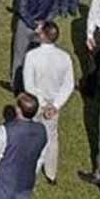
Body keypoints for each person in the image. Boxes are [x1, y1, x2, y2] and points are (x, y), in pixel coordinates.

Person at [22, 21, 74, 185]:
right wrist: (55, 105)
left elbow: (28, 85)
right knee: (51, 138)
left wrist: (43, 103)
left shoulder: (32, 56)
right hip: (52, 105)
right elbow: (68, 85)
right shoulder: (65, 57)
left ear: (43, 35)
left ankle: (29, 169)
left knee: (31, 136)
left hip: (36, 103)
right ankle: (51, 173)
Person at [10, 0, 58, 89]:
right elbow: (54, 10)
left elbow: (22, 9)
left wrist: (33, 24)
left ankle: (16, 83)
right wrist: (43, 24)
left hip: (26, 25)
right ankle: (34, 83)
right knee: (37, 56)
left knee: (19, 55)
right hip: (42, 26)